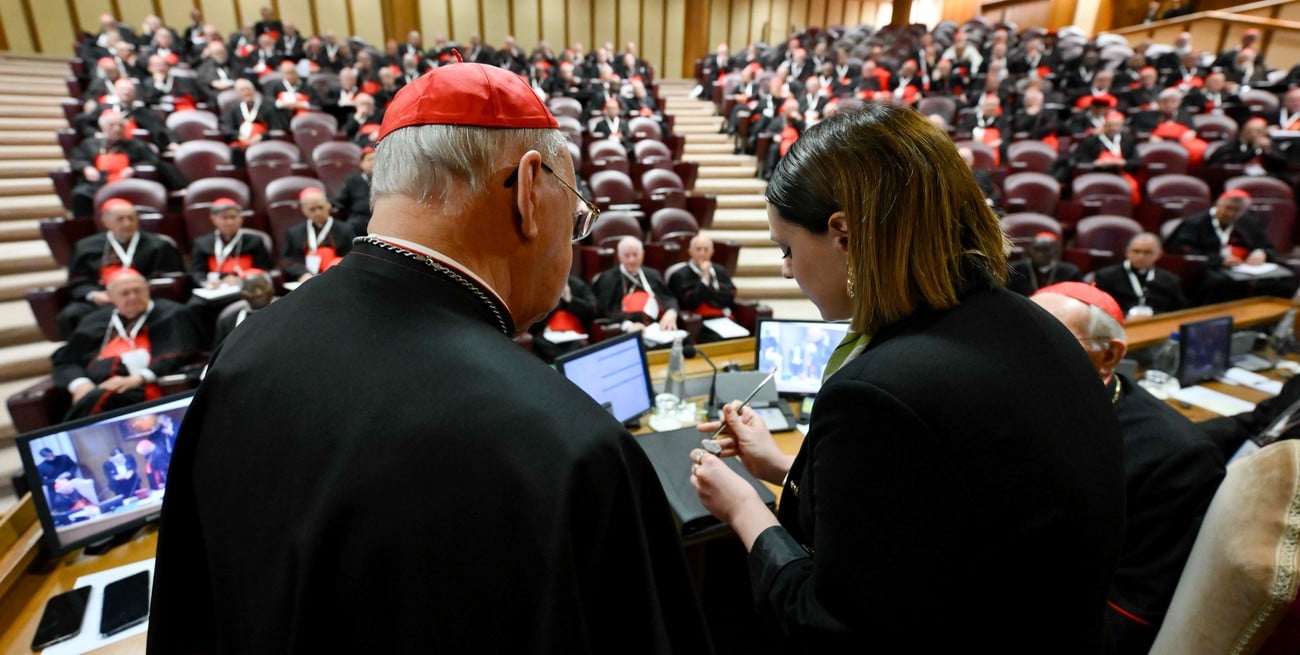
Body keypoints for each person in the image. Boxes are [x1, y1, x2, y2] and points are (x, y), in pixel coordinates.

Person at [149, 61, 710, 653]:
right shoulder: (571, 446)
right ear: (526, 191)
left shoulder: (242, 349)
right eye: (572, 215)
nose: (570, 245)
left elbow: (189, 607)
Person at [686, 105, 1124, 651]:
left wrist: (744, 507)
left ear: (843, 233)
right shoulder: (1036, 323)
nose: (786, 270)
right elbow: (931, 506)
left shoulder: (880, 392)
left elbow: (829, 626)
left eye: (787, 248)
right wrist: (781, 467)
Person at [1030, 282, 1224, 654]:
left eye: (1046, 342)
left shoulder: (1176, 455)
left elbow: (1131, 605)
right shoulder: (1008, 398)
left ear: (1109, 355)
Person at [51, 268, 204, 420]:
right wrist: (81, 384)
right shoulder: (94, 320)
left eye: (138, 291)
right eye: (125, 293)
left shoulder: (172, 313)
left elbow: (180, 352)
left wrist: (137, 379)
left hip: (143, 385)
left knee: (102, 396)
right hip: (97, 387)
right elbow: (66, 359)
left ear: (148, 290)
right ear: (111, 297)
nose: (133, 297)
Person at [58, 198, 185, 338]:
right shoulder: (85, 247)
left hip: (141, 299)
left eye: (131, 218)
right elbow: (78, 280)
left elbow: (168, 280)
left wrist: (137, 294)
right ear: (105, 221)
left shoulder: (159, 246)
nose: (127, 223)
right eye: (120, 219)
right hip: (104, 298)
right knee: (71, 315)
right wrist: (94, 295)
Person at [1165, 189, 1293, 303]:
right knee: (1220, 283)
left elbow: (1265, 245)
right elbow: (1184, 252)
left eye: (1237, 210)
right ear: (1217, 204)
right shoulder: (1195, 223)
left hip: (1244, 267)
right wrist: (1220, 260)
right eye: (1228, 208)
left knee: (1284, 280)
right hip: (1210, 268)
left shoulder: (1247, 222)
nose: (1231, 214)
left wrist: (1261, 252)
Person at [592, 236, 679, 334]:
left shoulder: (653, 274)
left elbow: (668, 298)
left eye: (635, 254)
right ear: (619, 256)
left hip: (657, 325)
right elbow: (606, 311)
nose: (631, 260)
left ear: (643, 254)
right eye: (627, 255)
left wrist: (671, 312)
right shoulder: (608, 278)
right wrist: (627, 324)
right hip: (625, 327)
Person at [1092, 232, 1188, 317]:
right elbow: (1099, 308)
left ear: (1159, 254)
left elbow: (1179, 312)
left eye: (1148, 252)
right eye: (1136, 251)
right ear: (1127, 252)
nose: (1141, 256)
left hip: (1157, 324)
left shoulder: (1170, 280)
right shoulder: (1106, 276)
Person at [187, 197, 273, 290]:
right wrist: (205, 283)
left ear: (241, 218)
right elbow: (197, 272)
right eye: (224, 218)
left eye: (233, 217)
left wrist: (241, 280)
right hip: (213, 289)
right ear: (213, 219)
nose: (229, 222)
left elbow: (263, 270)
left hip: (245, 288)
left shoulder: (255, 241)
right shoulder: (202, 243)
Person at [668, 234, 739, 341]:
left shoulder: (720, 270)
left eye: (706, 249)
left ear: (712, 252)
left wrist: (707, 296)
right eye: (698, 249)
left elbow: (729, 297)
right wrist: (705, 279)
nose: (702, 253)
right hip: (699, 322)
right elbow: (690, 303)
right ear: (690, 251)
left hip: (723, 318)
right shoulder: (680, 275)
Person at [281, 187, 355, 282]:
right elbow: (289, 261)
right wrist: (303, 274)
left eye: (321, 207)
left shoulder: (345, 230)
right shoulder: (294, 233)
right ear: (303, 210)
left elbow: (353, 257)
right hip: (306, 281)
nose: (318, 213)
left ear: (328, 205)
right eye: (312, 209)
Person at [1007, 231, 1083, 296]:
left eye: (1045, 250)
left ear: (1055, 251)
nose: (1040, 254)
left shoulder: (1070, 272)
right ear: (1030, 250)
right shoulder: (1015, 269)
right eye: (1037, 249)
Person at [213, 271, 276, 346]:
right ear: (242, 294)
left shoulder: (286, 309)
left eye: (262, 287)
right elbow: (220, 350)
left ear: (272, 289)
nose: (258, 293)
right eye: (251, 289)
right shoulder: (228, 316)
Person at [333, 146, 375, 233]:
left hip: (379, 216)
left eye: (376, 159)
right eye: (370, 159)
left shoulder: (385, 180)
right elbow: (341, 201)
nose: (373, 163)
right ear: (361, 163)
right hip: (359, 219)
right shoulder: (352, 180)